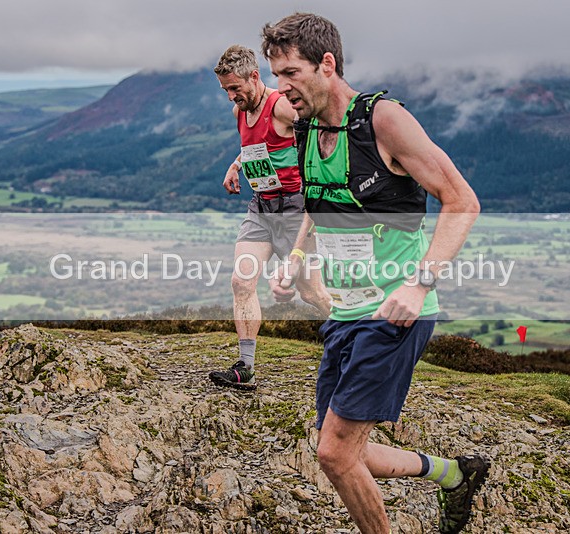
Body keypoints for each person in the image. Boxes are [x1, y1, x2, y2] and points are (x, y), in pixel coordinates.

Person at [261, 13, 487, 534]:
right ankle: (453, 475)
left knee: (334, 455)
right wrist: (296, 261)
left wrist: (419, 282)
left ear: (327, 64)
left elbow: (462, 201)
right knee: (341, 449)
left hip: (395, 312)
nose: (282, 87)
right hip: (346, 311)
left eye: (291, 72)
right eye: (276, 75)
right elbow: (318, 207)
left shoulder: (382, 120)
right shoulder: (307, 127)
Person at [209, 45, 331, 391]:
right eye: (226, 91)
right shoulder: (240, 111)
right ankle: (245, 367)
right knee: (242, 282)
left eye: (236, 88)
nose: (232, 97)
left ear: (254, 76)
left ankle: (360, 343)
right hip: (261, 208)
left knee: (312, 294)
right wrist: (237, 164)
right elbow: (255, 146)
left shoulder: (279, 105)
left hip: (296, 211)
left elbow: (318, 130)